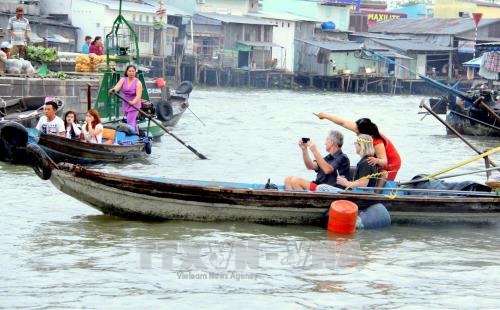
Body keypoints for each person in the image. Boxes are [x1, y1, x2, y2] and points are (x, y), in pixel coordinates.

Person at [315, 113, 401, 182]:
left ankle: (378, 195)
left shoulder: (377, 142)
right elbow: (342, 122)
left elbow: (384, 162)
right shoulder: (360, 127)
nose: (356, 133)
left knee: (383, 178)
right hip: (376, 158)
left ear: (365, 133)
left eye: (357, 132)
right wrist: (325, 116)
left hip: (391, 162)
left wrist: (377, 160)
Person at [284, 130, 350, 191]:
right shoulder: (328, 158)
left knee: (296, 181)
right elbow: (310, 166)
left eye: (326, 140)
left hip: (330, 190)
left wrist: (314, 150)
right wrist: (304, 150)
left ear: (331, 142)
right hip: (319, 187)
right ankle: (295, 202)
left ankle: (304, 203)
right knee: (288, 179)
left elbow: (327, 170)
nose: (325, 143)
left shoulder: (342, 158)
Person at [108, 64, 143, 133]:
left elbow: (138, 96)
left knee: (130, 120)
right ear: (127, 72)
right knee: (131, 120)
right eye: (129, 71)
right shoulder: (123, 80)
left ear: (135, 72)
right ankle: (136, 134)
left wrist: (133, 102)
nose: (131, 73)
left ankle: (131, 137)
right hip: (126, 103)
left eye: (133, 71)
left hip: (134, 104)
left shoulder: (138, 83)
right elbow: (117, 87)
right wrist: (113, 90)